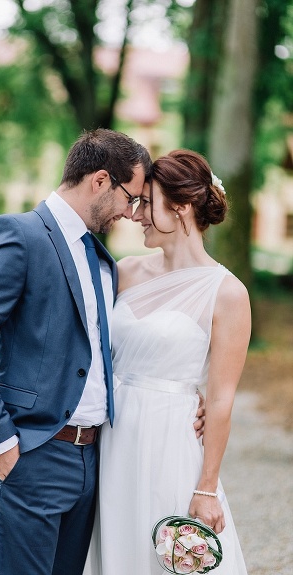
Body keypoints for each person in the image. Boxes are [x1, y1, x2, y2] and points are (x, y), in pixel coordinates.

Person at [0, 129, 152, 575]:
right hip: (32, 453)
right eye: (130, 198)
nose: (130, 213)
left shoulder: (100, 258)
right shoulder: (19, 234)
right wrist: (0, 441)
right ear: (101, 180)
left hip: (92, 458)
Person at [83, 150, 250, 574]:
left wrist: (207, 488)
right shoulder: (125, 271)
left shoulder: (227, 293)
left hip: (170, 442)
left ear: (181, 207)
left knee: (167, 555)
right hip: (112, 438)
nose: (135, 214)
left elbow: (222, 399)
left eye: (146, 202)